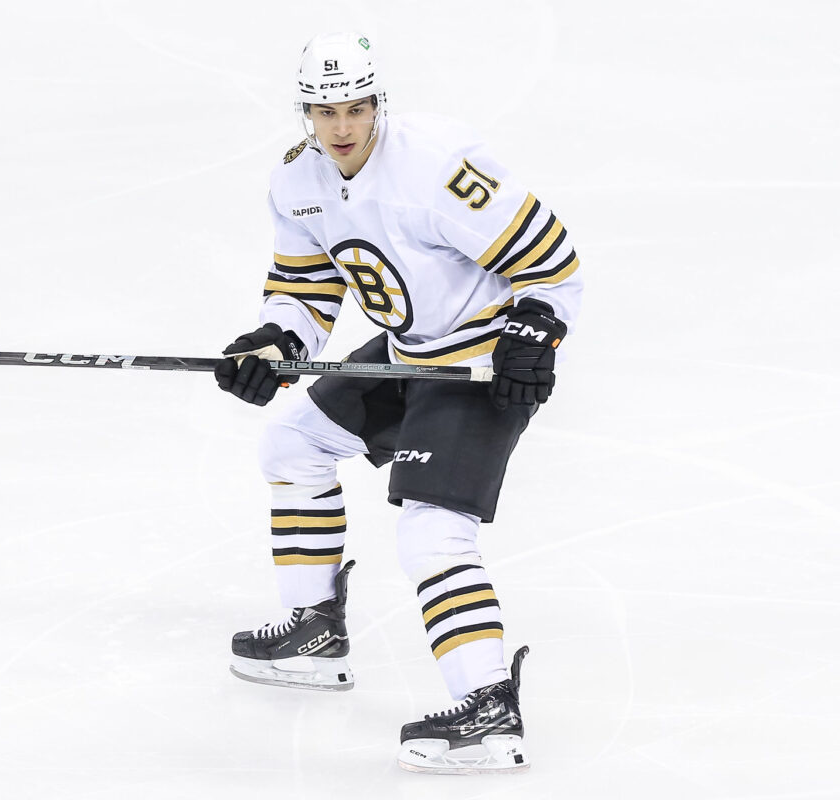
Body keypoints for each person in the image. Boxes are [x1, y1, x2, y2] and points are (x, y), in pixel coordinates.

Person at [214, 32, 583, 775]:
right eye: (325, 112)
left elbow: (550, 260)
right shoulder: (299, 182)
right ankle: (315, 631)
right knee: (293, 445)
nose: (342, 127)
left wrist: (535, 331)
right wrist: (273, 343)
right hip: (408, 353)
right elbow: (306, 288)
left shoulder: (436, 166)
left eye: (356, 108)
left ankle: (488, 707)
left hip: (477, 363)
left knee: (432, 531)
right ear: (305, 114)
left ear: (378, 102)